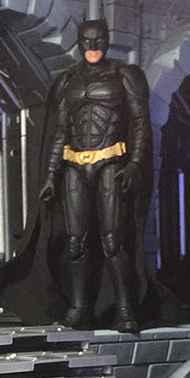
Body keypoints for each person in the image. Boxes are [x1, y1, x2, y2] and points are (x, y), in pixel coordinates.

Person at [37, 18, 152, 330]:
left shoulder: (124, 75)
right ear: (79, 42)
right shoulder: (67, 81)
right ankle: (79, 308)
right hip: (74, 165)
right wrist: (50, 174)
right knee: (75, 243)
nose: (93, 47)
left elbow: (140, 121)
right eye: (87, 40)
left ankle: (126, 310)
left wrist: (135, 164)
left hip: (110, 162)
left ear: (107, 40)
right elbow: (60, 131)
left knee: (113, 240)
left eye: (99, 40)